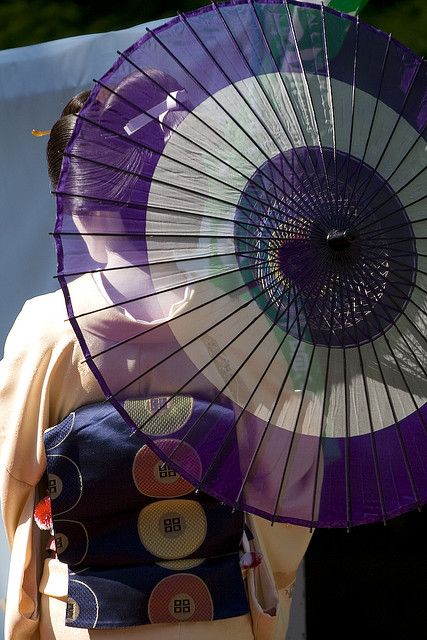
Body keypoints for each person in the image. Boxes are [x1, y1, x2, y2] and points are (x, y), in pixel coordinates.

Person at [0, 86, 313, 640]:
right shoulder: (240, 319)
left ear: (74, 205)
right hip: (215, 610)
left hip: (84, 609)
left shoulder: (49, 330)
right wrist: (269, 574)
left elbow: (17, 483)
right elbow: (285, 480)